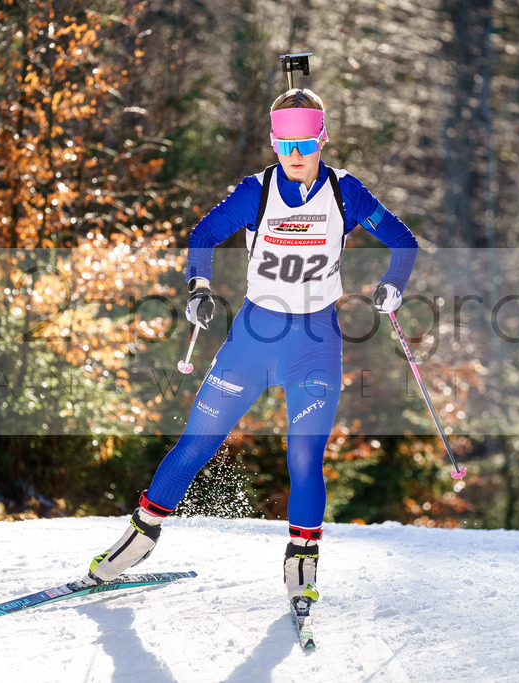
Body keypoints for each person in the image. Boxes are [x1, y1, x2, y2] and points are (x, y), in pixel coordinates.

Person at [74, 88, 418, 613]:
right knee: (196, 443)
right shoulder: (256, 192)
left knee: (305, 457)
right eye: (285, 144)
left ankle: (301, 567)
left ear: (322, 140)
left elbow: (403, 241)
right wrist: (198, 288)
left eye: (305, 143)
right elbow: (203, 234)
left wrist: (394, 283)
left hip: (315, 345)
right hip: (253, 341)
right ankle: (138, 540)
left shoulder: (345, 192)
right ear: (274, 144)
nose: (295, 154)